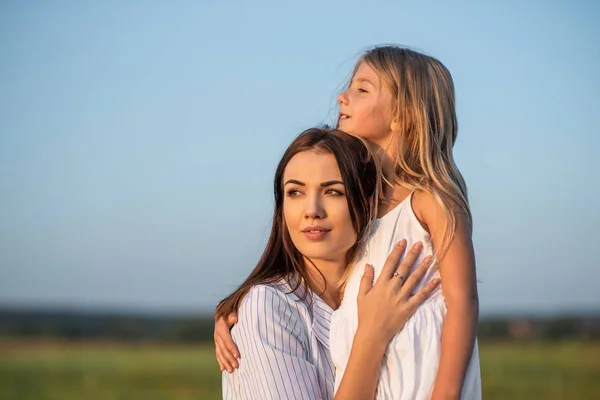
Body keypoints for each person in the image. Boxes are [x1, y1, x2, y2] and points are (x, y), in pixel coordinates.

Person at [216, 45, 482, 399]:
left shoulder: (429, 200)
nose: (342, 97)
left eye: (361, 89)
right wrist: (240, 308)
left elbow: (463, 300)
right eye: (294, 193)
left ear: (403, 114)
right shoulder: (368, 210)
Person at [215, 127, 440, 400]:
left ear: (368, 201)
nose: (312, 210)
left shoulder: (379, 292)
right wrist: (371, 336)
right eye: (295, 192)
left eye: (333, 192)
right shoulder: (267, 307)